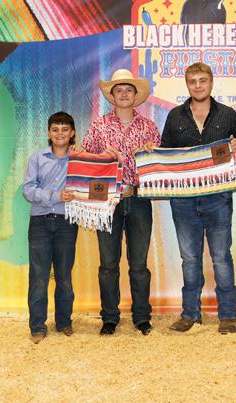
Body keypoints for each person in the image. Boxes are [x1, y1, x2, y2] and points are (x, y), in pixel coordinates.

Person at [158, 62, 236, 334]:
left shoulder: (228, 114)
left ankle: (228, 316)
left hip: (218, 197)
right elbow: (165, 155)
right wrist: (153, 154)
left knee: (221, 257)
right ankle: (190, 314)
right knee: (189, 259)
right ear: (187, 84)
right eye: (193, 81)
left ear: (211, 82)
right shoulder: (174, 116)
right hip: (183, 199)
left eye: (202, 81)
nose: (198, 86)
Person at [81, 69, 160, 336]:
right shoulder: (99, 126)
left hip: (138, 198)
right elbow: (84, 160)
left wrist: (151, 153)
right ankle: (109, 317)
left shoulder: (149, 127)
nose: (124, 94)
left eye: (128, 89)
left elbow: (159, 164)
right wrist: (101, 156)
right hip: (107, 201)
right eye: (119, 90)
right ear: (112, 95)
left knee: (139, 264)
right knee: (108, 264)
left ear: (135, 95)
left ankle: (142, 316)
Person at [22, 111, 79, 344]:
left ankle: (64, 322)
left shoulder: (79, 159)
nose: (60, 133)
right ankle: (37, 326)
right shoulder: (37, 158)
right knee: (39, 276)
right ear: (48, 133)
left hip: (67, 222)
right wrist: (55, 196)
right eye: (55, 129)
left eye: (65, 129)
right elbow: (28, 190)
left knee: (64, 275)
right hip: (40, 223)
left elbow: (95, 177)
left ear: (72, 133)